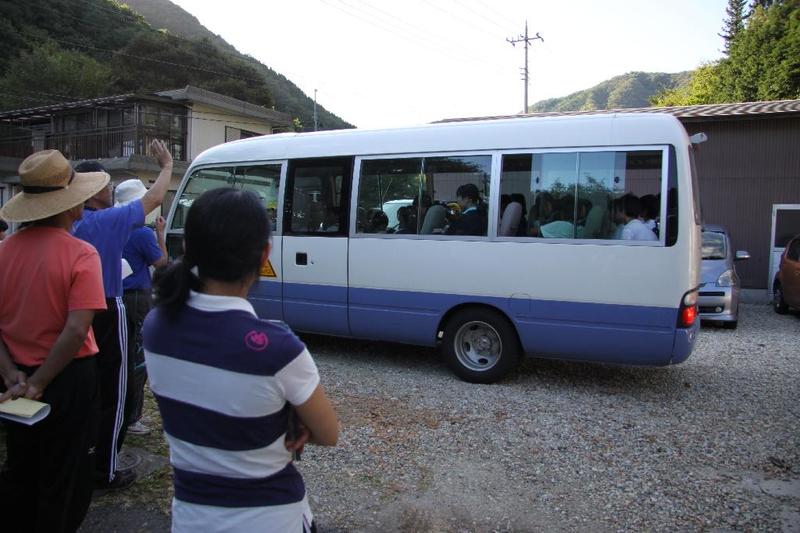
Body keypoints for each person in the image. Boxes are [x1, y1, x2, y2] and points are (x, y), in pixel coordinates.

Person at [143, 188, 338, 532]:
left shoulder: (156, 326)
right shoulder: (280, 349)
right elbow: (328, 433)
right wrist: (288, 418)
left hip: (191, 521)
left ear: (186, 247)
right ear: (264, 255)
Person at [0, 149, 108, 533]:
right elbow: (77, 330)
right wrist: (40, 382)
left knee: (22, 466)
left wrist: (12, 375)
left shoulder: (4, 252)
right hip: (67, 379)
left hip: (14, 379)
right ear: (71, 205)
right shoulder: (81, 254)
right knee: (66, 474)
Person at [72, 139, 173, 491]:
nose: (110, 189)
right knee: (114, 389)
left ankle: (82, 456)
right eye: (105, 184)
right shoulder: (106, 222)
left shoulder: (67, 223)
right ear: (90, 192)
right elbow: (154, 199)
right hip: (106, 306)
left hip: (73, 312)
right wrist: (166, 166)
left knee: (83, 387)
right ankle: (106, 469)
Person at [115, 179, 168, 437]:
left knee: (121, 355)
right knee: (138, 358)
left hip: (115, 296)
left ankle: (118, 410)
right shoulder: (142, 233)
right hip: (137, 297)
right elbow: (162, 263)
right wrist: (160, 234)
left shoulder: (111, 227)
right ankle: (132, 417)